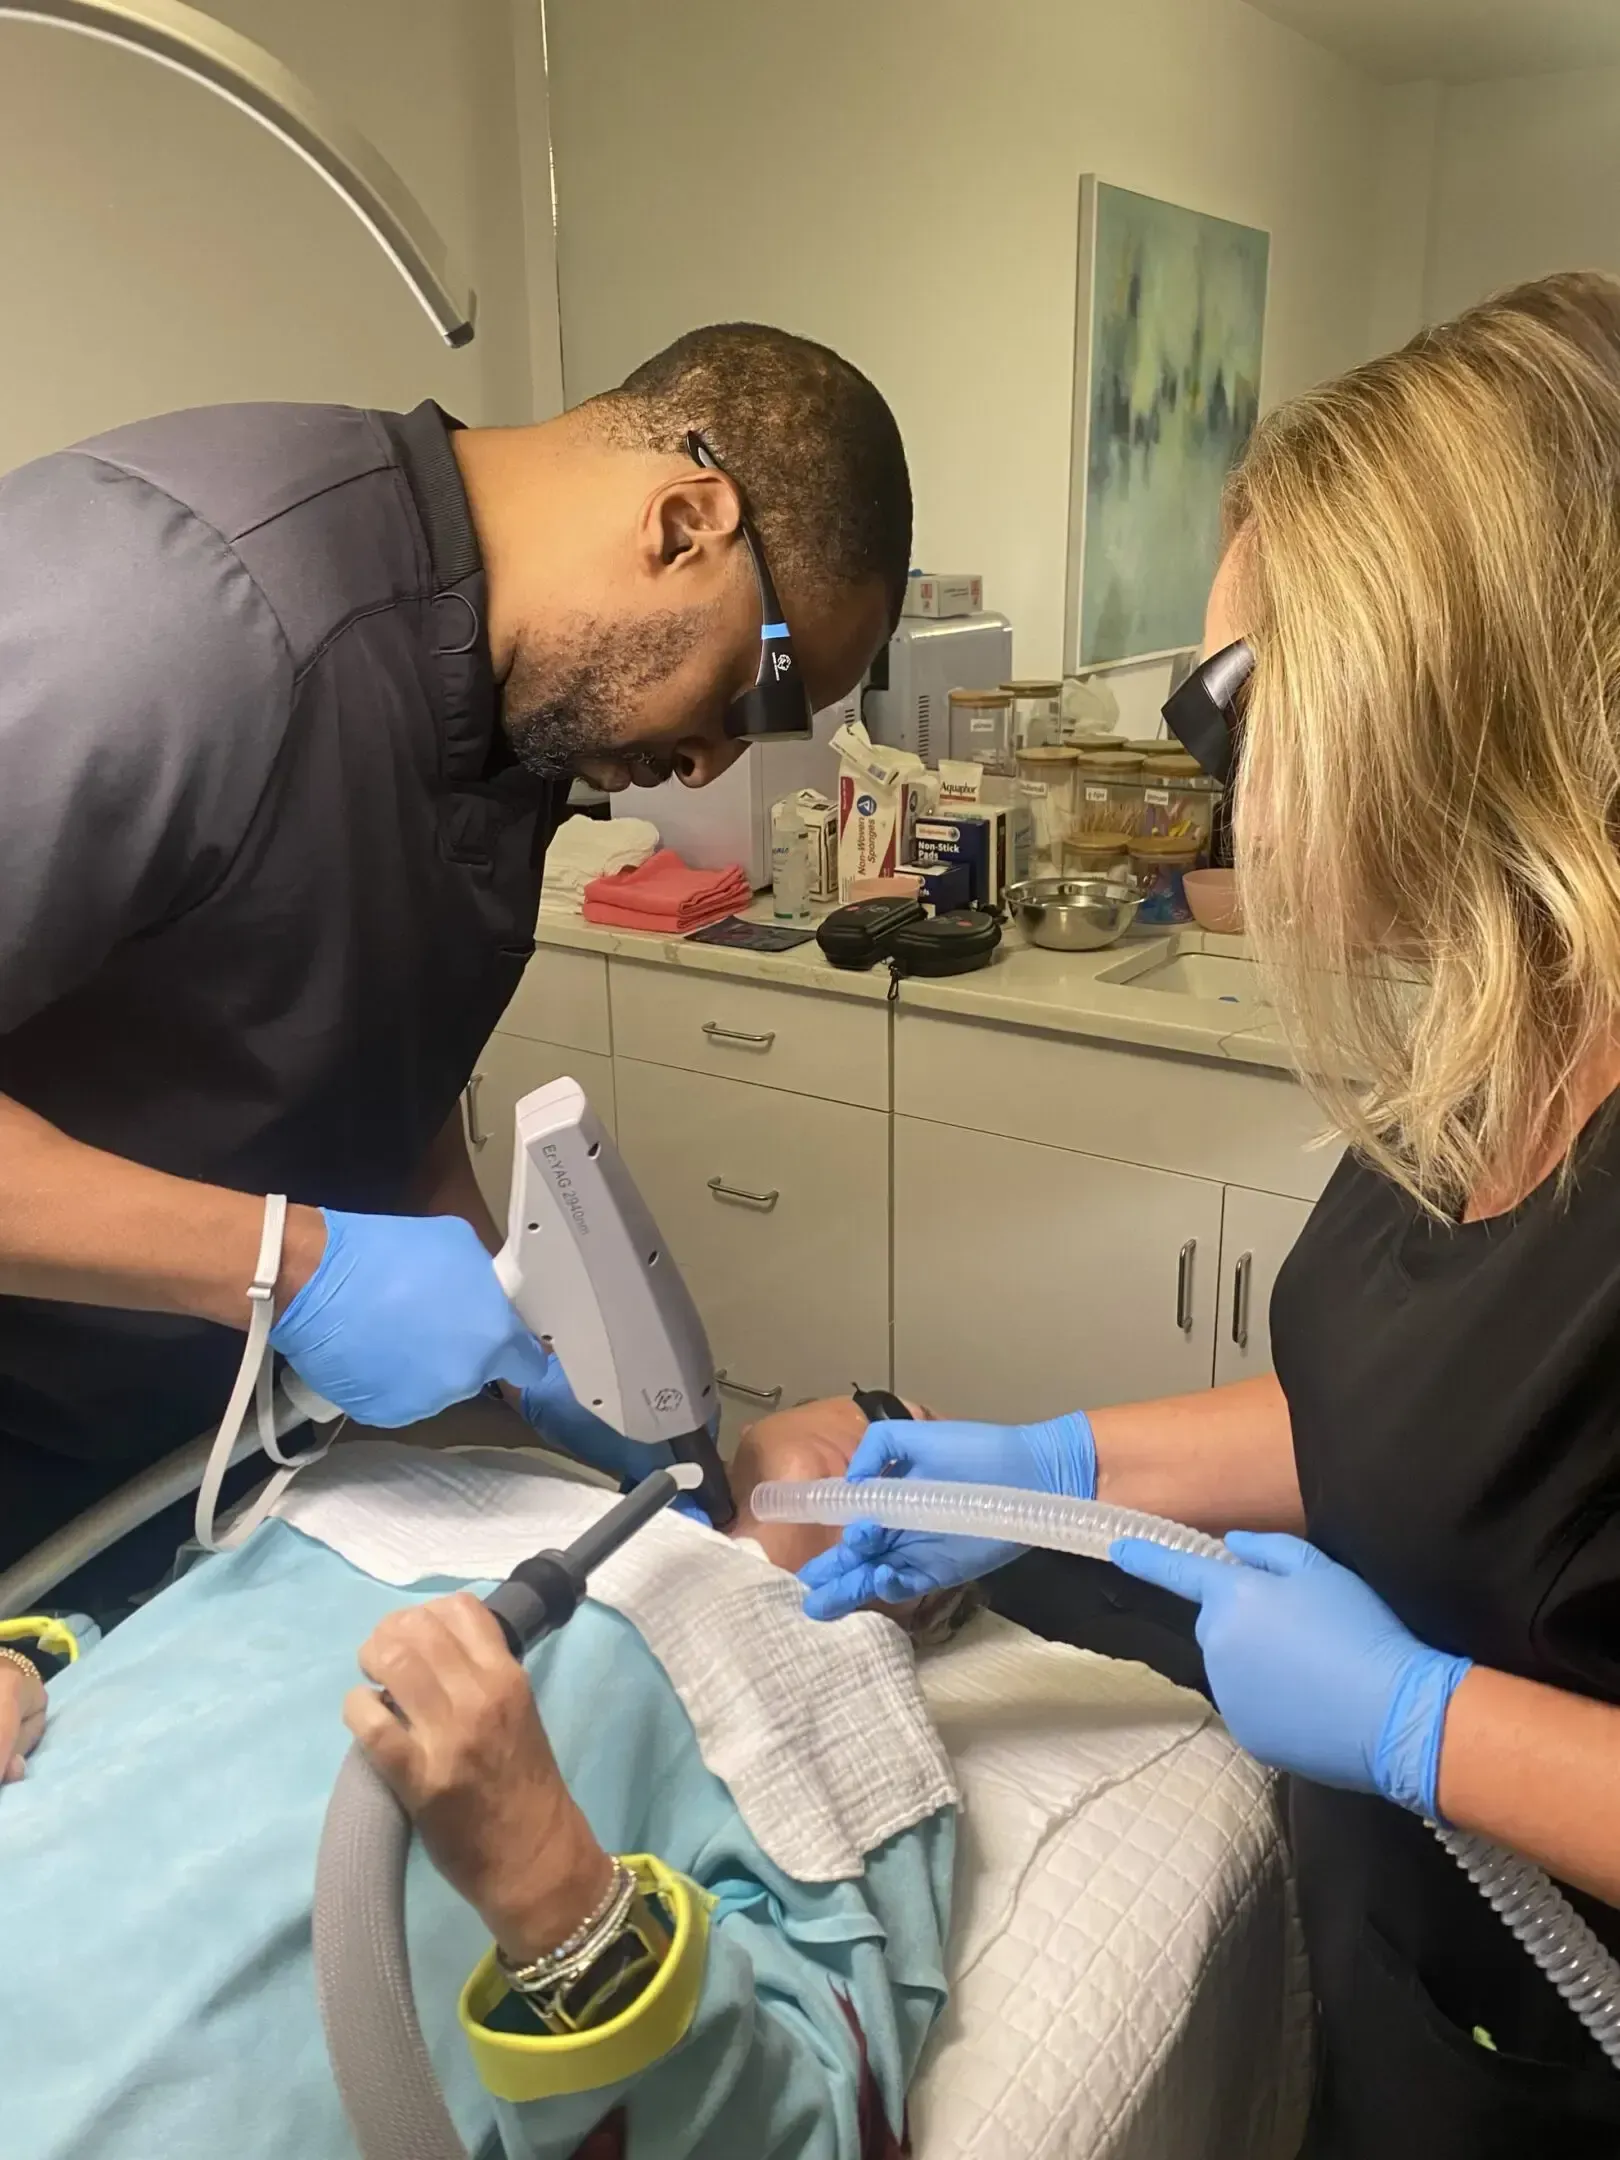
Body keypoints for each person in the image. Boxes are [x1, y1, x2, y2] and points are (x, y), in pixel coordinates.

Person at [799, 271, 1620, 2157]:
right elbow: (1425, 1425)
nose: (1212, 763)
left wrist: (1427, 1724)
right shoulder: (1510, 1042)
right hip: (1414, 1958)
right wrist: (1030, 1463)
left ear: (1447, 680)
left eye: (1240, 694)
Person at [0, 325, 910, 1581]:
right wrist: (289, 1264)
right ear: (687, 524)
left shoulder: (515, 716)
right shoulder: (177, 613)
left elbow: (375, 1070)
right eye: (762, 695)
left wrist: (536, 1372)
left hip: (211, 1472)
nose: (717, 762)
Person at [0, 1396, 954, 2160]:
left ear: (932, 1599)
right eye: (885, 1407)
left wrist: (554, 1891)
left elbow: (812, 2122)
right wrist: (19, 1667)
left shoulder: (849, 1703)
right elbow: (138, 1620)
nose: (900, 1451)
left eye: (956, 1476)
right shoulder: (423, 1475)